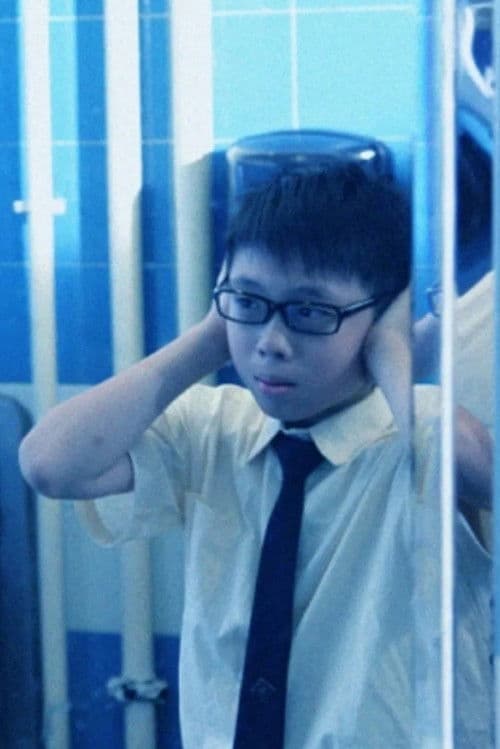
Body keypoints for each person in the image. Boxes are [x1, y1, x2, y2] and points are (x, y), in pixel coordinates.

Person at [19, 166, 492, 747]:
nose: (271, 342)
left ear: (380, 317)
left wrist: (395, 355)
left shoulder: (420, 435)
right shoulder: (214, 428)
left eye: (310, 313)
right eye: (249, 302)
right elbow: (51, 464)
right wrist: (212, 336)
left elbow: (483, 475)